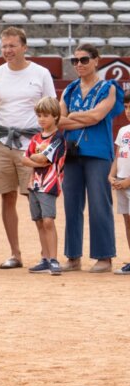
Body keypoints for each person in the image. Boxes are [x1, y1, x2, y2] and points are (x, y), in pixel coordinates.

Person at [0, 26, 56, 270]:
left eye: (13, 45)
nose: (8, 50)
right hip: (2, 142)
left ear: (24, 47)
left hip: (32, 144)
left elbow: (51, 108)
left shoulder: (41, 73)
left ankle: (46, 255)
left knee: (36, 196)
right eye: (4, 46)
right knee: (7, 196)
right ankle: (15, 253)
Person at [58, 42, 121, 272]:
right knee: (71, 204)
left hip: (98, 152)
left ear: (96, 60)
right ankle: (73, 256)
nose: (79, 64)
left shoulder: (109, 87)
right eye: (75, 61)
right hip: (73, 152)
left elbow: (98, 116)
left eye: (84, 60)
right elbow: (58, 119)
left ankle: (104, 256)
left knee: (99, 204)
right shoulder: (70, 89)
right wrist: (80, 117)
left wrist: (73, 116)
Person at [18, 96, 66, 275]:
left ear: (55, 116)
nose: (41, 119)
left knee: (48, 221)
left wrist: (37, 159)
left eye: (45, 115)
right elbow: (25, 159)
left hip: (49, 184)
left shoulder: (58, 138)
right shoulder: (36, 138)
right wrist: (37, 161)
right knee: (39, 221)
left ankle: (53, 259)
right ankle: (45, 258)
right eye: (39, 116)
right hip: (34, 185)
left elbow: (44, 158)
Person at [111, 92, 130, 274]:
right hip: (121, 182)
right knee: (127, 221)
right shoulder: (123, 131)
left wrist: (126, 182)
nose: (128, 111)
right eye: (126, 107)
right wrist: (111, 175)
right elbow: (119, 156)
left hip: (127, 182)